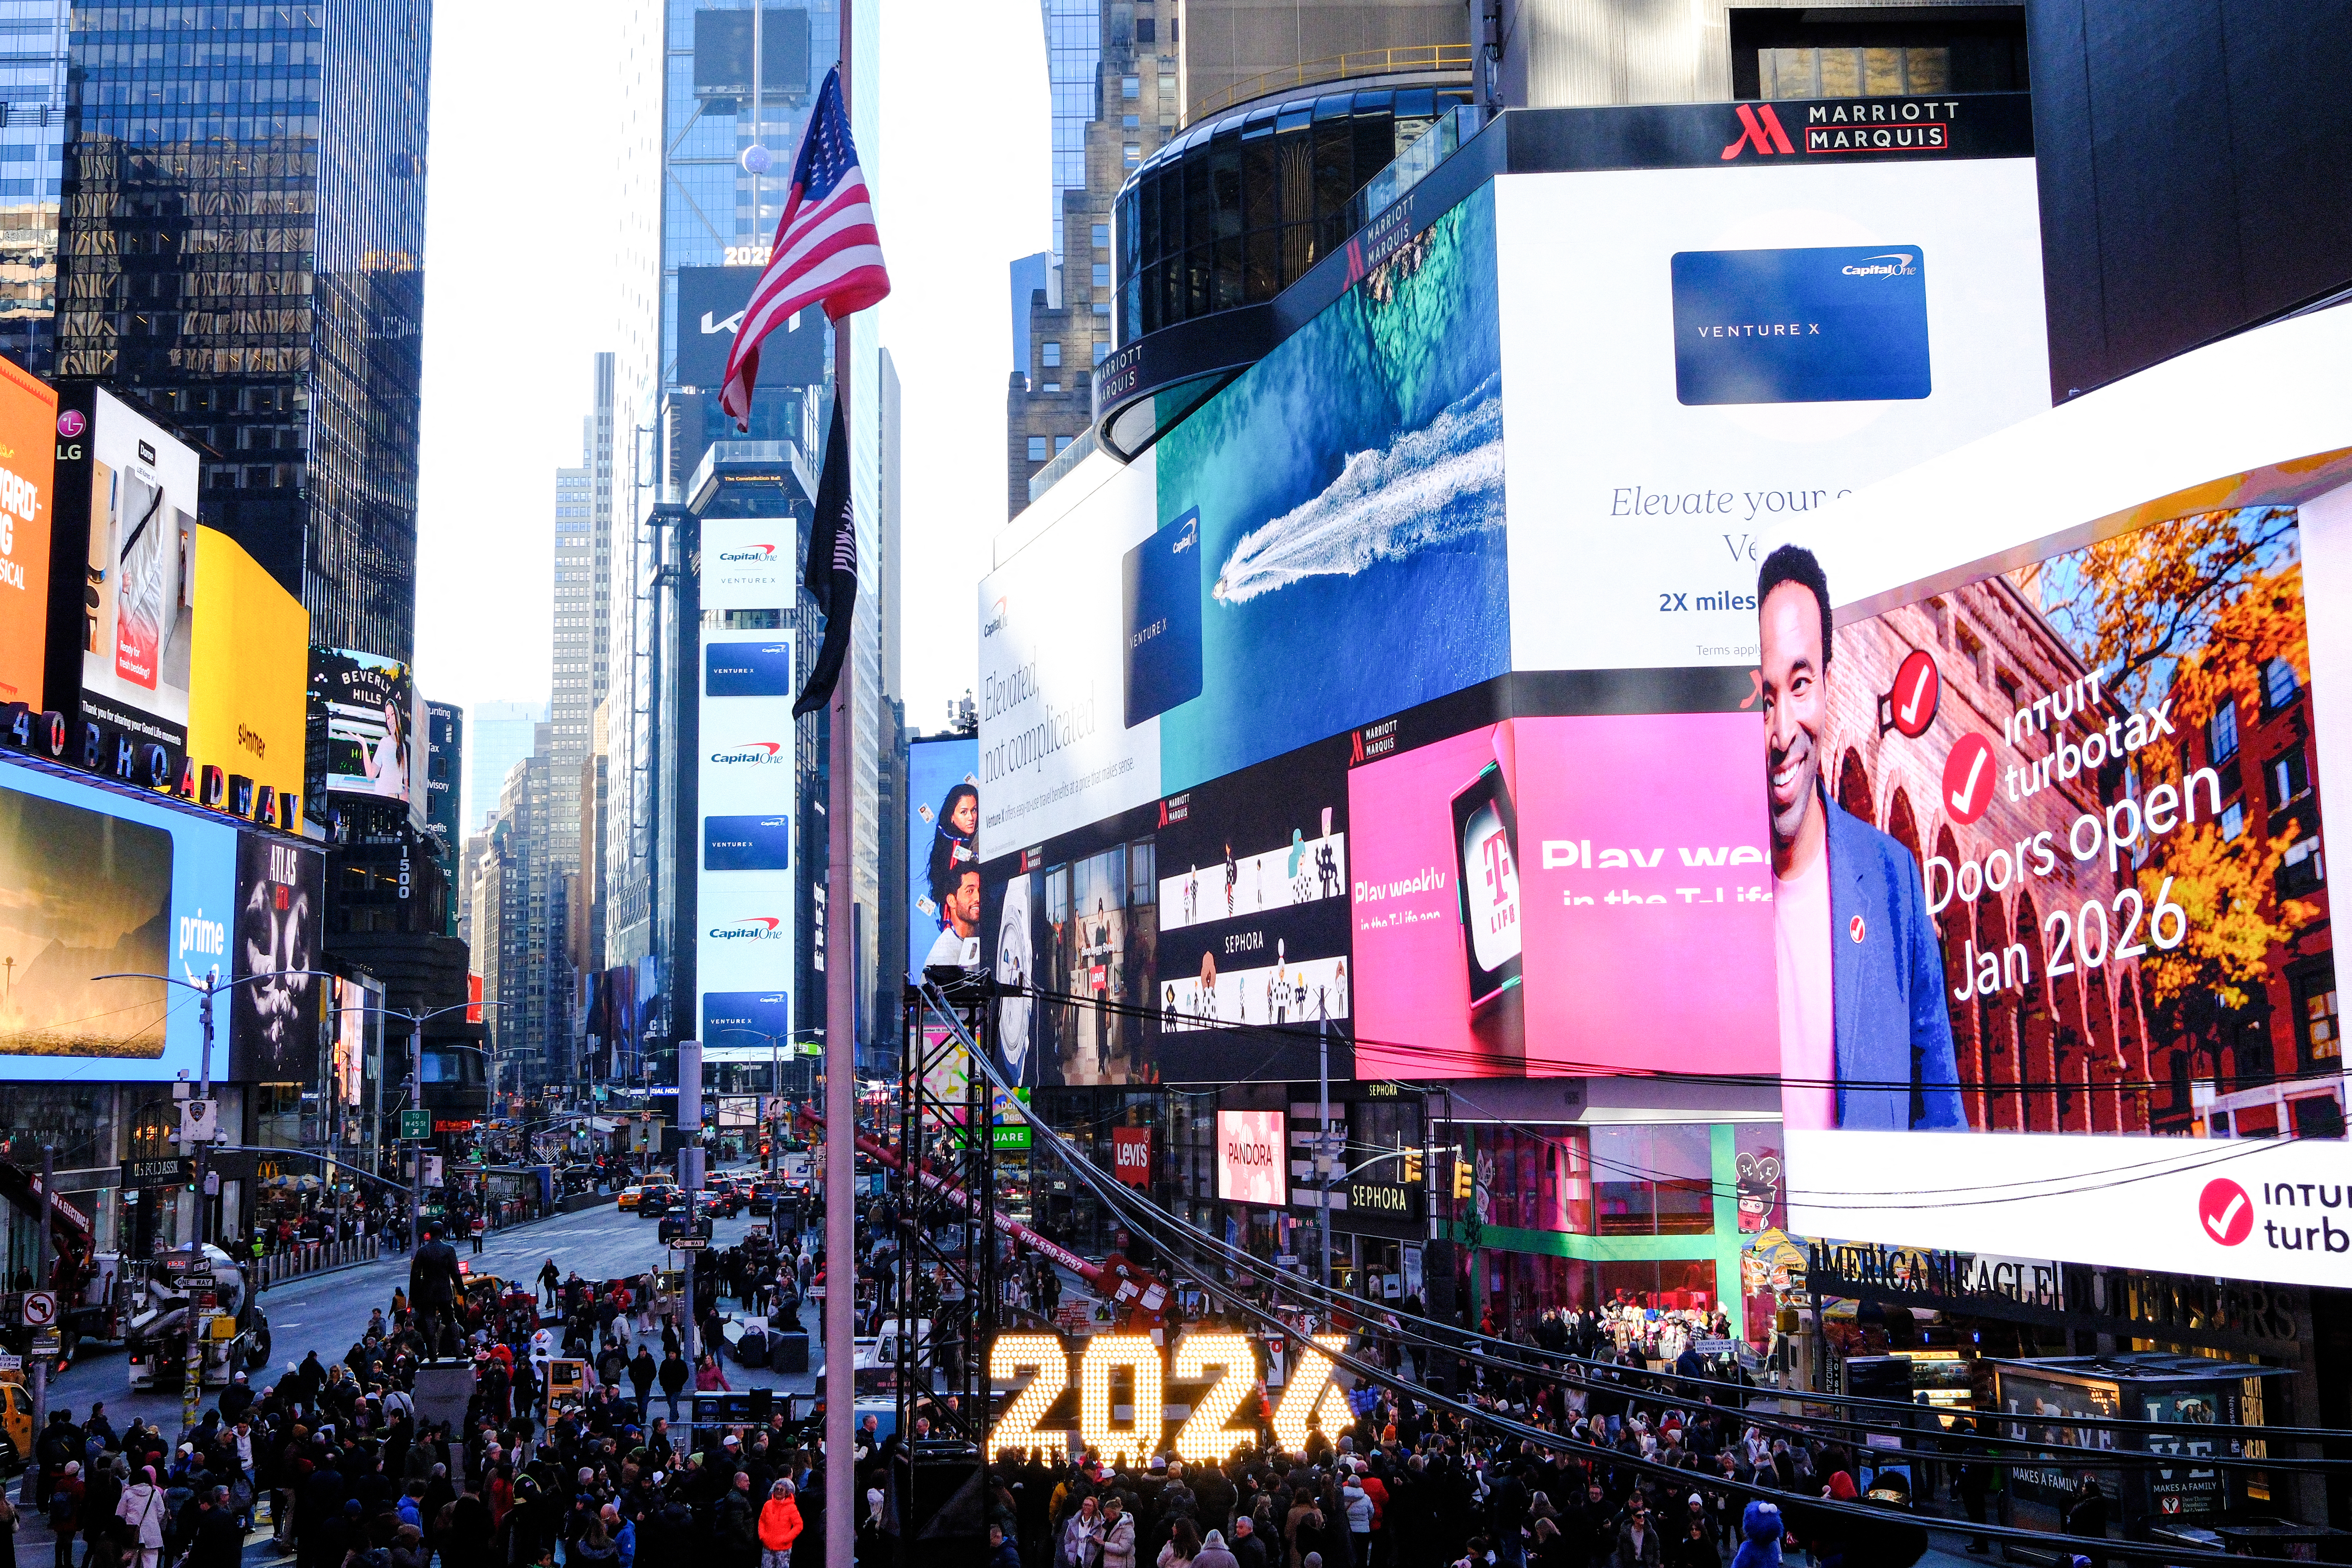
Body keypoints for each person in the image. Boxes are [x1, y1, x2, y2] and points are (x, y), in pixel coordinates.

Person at [1756, 543, 1965, 1132]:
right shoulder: (1705, 891)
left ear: (1826, 681)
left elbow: (1940, 1116)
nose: (1780, 731)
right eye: (1761, 699)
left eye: (1798, 685)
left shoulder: (1890, 880)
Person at [409, 1224, 463, 1355]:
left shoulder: (423, 1251)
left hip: (428, 1292)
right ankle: (458, 1351)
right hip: (444, 1291)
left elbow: (415, 1275)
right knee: (450, 1320)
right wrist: (461, 1290)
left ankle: (432, 1354)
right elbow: (456, 1272)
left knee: (429, 1321)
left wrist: (414, 1296)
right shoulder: (449, 1249)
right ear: (442, 1233)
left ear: (430, 1234)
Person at [925, 866, 982, 968]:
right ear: (952, 901)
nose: (978, 898)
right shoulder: (943, 953)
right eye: (970, 891)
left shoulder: (982, 940)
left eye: (980, 890)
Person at [363, 695, 408, 799]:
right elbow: (371, 776)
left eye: (393, 715)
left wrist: (403, 795)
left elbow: (405, 775)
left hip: (395, 799)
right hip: (382, 798)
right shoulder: (385, 742)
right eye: (388, 717)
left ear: (397, 716)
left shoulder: (403, 747)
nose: (391, 720)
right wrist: (364, 745)